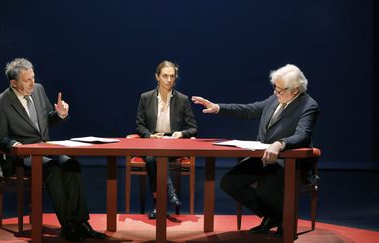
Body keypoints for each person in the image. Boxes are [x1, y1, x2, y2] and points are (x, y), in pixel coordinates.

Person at [192, 64, 319, 238]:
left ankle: (286, 223)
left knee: (266, 189)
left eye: (280, 90)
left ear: (295, 90)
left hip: (288, 161)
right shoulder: (276, 98)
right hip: (263, 157)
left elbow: (302, 135)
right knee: (229, 183)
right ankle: (275, 216)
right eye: (275, 88)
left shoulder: (308, 105)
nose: (276, 93)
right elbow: (249, 110)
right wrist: (218, 108)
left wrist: (280, 143)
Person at [0, 58, 107, 241]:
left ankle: (81, 223)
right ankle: (68, 226)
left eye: (33, 77)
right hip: (23, 156)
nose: (32, 83)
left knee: (71, 164)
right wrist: (14, 145)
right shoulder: (0, 104)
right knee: (52, 168)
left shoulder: (38, 90)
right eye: (27, 80)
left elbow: (47, 120)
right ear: (13, 83)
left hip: (45, 148)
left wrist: (60, 114)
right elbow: (0, 138)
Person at [136, 60, 198, 219]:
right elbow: (140, 126)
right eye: (165, 76)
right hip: (151, 142)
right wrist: (150, 136)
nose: (169, 80)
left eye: (172, 76)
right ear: (157, 77)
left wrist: (181, 134)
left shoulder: (182, 99)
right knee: (152, 157)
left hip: (172, 144)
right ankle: (169, 196)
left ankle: (159, 203)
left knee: (154, 158)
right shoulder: (145, 97)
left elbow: (193, 128)